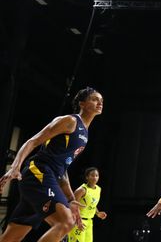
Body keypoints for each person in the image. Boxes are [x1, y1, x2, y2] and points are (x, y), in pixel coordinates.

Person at [0, 87, 103, 242]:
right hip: (38, 172)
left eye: (101, 100)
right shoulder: (70, 121)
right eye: (95, 99)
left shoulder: (85, 134)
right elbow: (33, 141)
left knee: (11, 238)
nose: (99, 102)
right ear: (82, 103)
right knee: (66, 222)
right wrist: (15, 166)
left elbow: (63, 168)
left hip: (48, 177)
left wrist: (69, 198)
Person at [67, 167, 107, 242]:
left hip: (89, 222)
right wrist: (78, 221)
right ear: (87, 177)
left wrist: (97, 213)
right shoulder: (82, 190)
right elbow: (72, 206)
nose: (95, 177)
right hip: (79, 221)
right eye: (92, 175)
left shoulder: (98, 189)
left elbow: (92, 205)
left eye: (96, 175)